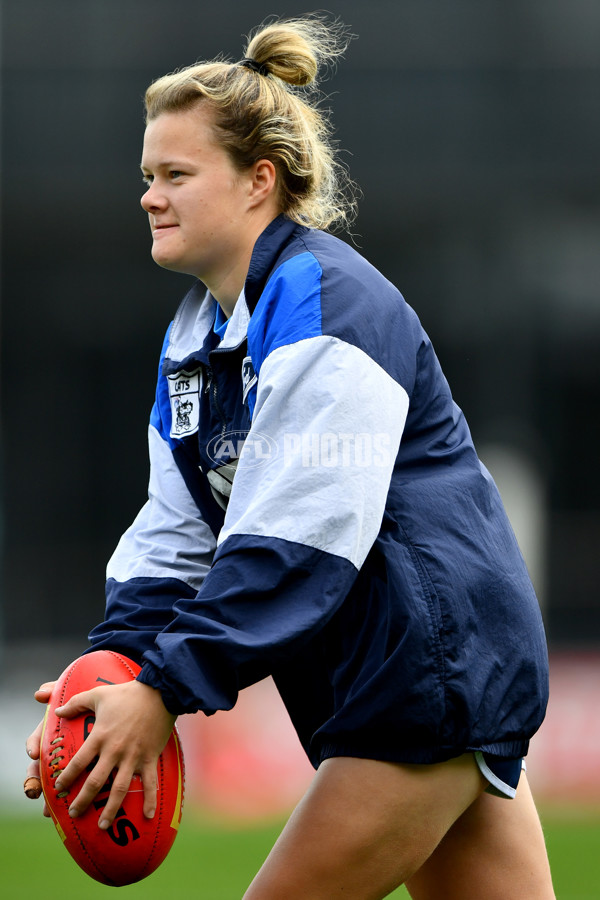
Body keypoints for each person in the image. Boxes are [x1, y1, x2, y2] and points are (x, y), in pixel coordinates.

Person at [25, 15, 555, 898]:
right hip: (410, 677)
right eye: (147, 176)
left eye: (177, 175)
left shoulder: (324, 299)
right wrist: (109, 678)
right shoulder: (196, 337)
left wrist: (161, 690)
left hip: (429, 674)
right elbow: (175, 534)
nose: (151, 197)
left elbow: (296, 538)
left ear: (257, 183)